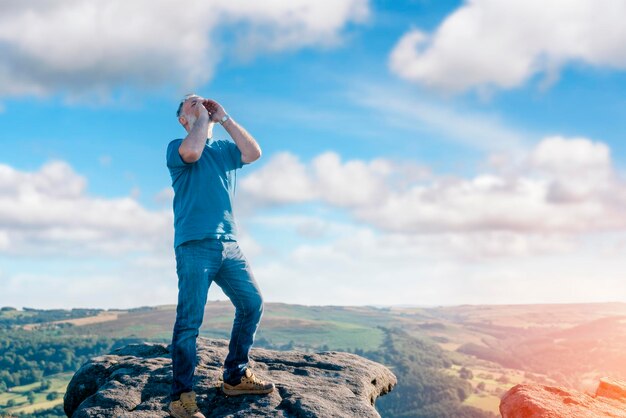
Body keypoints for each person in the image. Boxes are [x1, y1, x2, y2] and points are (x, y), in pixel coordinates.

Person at [166, 94, 274, 418]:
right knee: (189, 323)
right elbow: (193, 150)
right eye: (190, 102)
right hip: (194, 245)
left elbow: (254, 152)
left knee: (252, 303)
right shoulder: (177, 147)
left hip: (229, 244)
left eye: (200, 99)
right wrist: (201, 120)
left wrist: (223, 118)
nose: (198, 100)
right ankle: (181, 398)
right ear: (183, 119)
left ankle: (235, 376)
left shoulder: (225, 151)